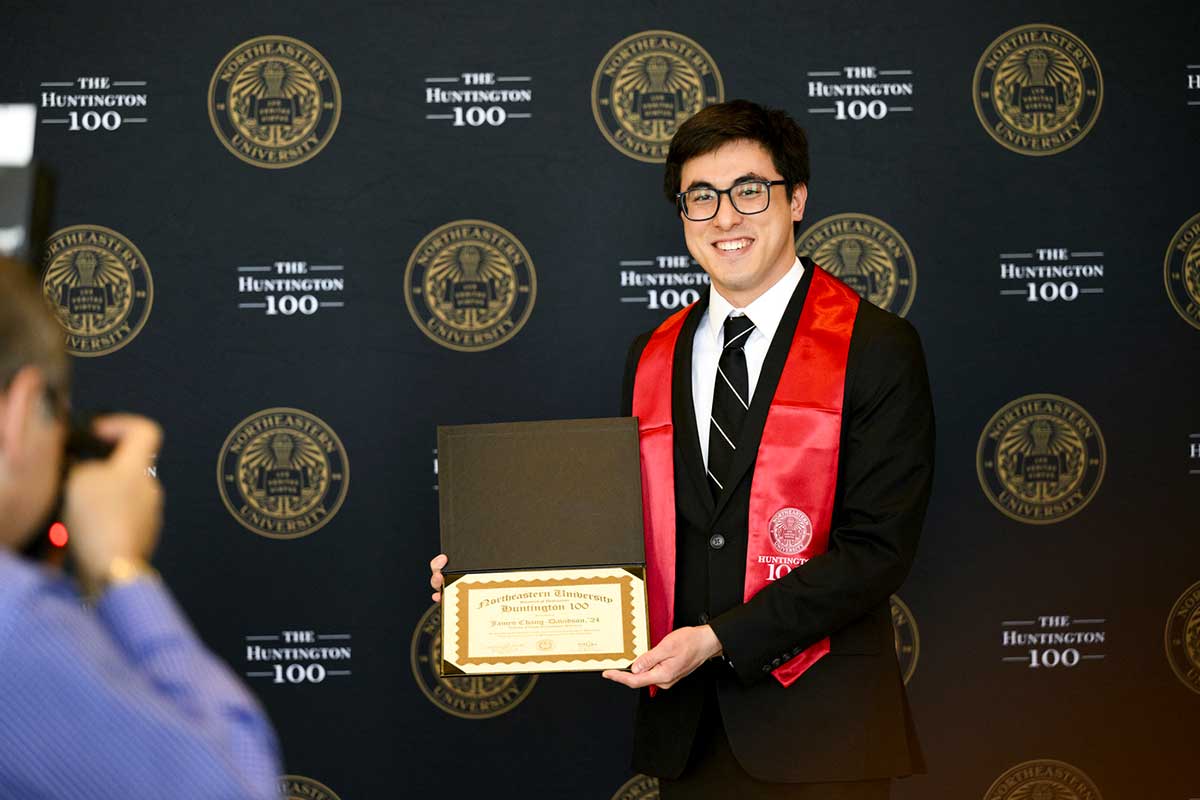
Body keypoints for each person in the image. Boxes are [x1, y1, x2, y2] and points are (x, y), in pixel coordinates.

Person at [432, 99, 934, 798]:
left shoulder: (875, 348)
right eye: (702, 198)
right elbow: (625, 529)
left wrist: (719, 638)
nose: (726, 218)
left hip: (823, 731)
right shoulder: (653, 356)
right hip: (687, 737)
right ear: (684, 219)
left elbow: (878, 550)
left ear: (797, 199)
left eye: (749, 191)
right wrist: (491, 577)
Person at [0, 256, 283, 799]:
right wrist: (121, 570)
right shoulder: (16, 624)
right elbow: (239, 788)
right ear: (20, 409)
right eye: (54, 411)